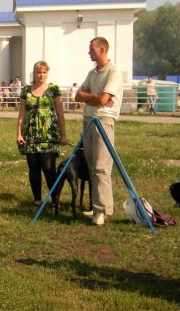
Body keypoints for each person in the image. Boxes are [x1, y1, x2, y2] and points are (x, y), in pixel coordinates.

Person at [75, 37, 123, 226]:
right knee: (92, 166)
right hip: (88, 121)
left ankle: (101, 211)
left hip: (103, 121)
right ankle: (98, 207)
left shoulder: (114, 72)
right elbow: (78, 95)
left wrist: (94, 98)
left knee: (102, 167)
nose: (89, 52)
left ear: (102, 50)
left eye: (92, 49)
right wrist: (94, 96)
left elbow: (105, 100)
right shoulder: (92, 73)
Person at [16, 60, 67, 208]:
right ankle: (37, 199)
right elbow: (21, 114)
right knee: (33, 168)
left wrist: (63, 135)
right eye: (39, 72)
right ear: (34, 73)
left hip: (49, 135)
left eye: (44, 72)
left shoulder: (53, 90)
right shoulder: (26, 91)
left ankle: (55, 200)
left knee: (49, 167)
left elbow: (60, 113)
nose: (42, 75)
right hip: (30, 135)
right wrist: (19, 133)